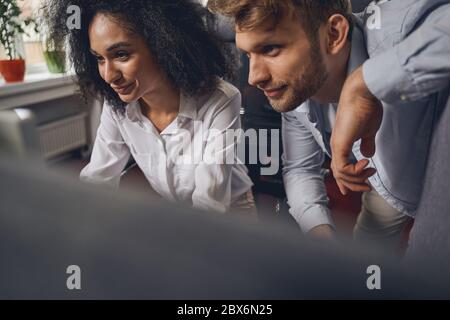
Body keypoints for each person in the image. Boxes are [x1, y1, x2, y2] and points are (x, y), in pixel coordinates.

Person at [207, 0, 450, 251]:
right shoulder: (297, 90)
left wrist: (363, 85)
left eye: (270, 49)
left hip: (440, 180)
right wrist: (320, 233)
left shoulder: (395, 26)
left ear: (334, 34)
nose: (254, 77)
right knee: (366, 259)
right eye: (248, 54)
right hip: (387, 182)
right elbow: (300, 169)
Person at [43, 0, 255, 214]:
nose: (108, 76)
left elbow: (209, 204)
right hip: (181, 217)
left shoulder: (220, 100)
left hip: (231, 217)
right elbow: (98, 178)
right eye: (99, 58)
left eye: (121, 54)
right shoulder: (117, 104)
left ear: (163, 44)